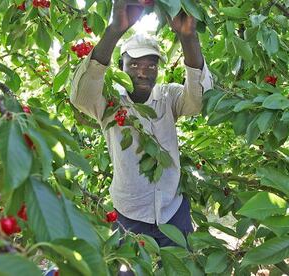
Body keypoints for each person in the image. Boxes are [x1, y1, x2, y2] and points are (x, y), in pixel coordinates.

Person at [70, 0, 213, 255]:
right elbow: (81, 97)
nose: (143, 72)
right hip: (130, 214)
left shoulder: (168, 96)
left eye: (150, 65)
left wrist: (188, 38)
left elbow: (198, 101)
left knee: (183, 267)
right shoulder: (110, 102)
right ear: (121, 67)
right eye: (134, 65)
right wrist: (115, 29)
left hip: (173, 209)